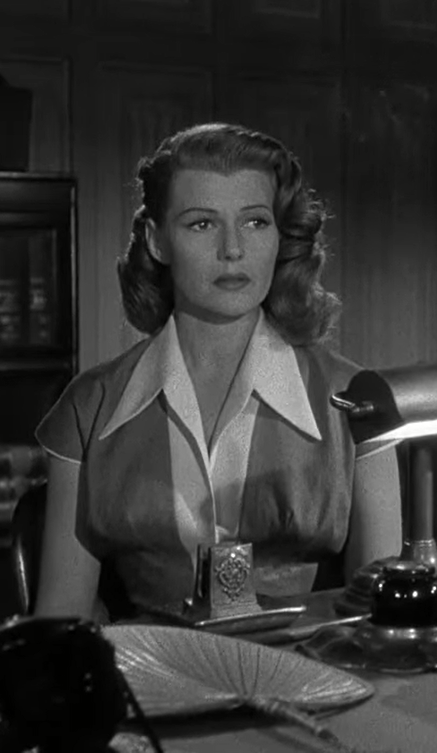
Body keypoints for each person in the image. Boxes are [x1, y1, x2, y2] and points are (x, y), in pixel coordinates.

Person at [33, 123, 402, 621]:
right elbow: (60, 621)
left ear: (280, 236)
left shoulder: (355, 398)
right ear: (157, 241)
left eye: (255, 222)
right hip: (152, 668)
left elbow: (382, 617)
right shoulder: (90, 407)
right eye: (202, 224)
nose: (233, 249)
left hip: (306, 665)